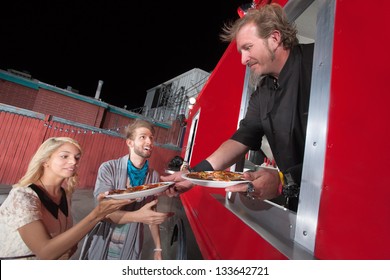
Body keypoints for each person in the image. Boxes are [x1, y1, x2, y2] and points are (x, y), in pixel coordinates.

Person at [162, 3, 314, 211]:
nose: (243, 60)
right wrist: (194, 175)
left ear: (275, 38)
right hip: (300, 205)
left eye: (248, 48)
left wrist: (283, 180)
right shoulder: (263, 91)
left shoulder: (317, 60)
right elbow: (242, 138)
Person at [0, 137, 132, 260]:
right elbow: (45, 252)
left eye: (77, 157)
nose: (73, 162)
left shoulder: (65, 194)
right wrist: (97, 214)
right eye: (64, 156)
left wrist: (107, 209)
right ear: (45, 160)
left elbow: (68, 242)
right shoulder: (23, 196)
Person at [79, 119, 174, 260]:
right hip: (104, 237)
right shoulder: (109, 168)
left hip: (131, 241)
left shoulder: (153, 175)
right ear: (130, 142)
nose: (149, 142)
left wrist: (158, 248)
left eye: (151, 138)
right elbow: (103, 212)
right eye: (143, 137)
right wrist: (139, 216)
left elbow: (151, 212)